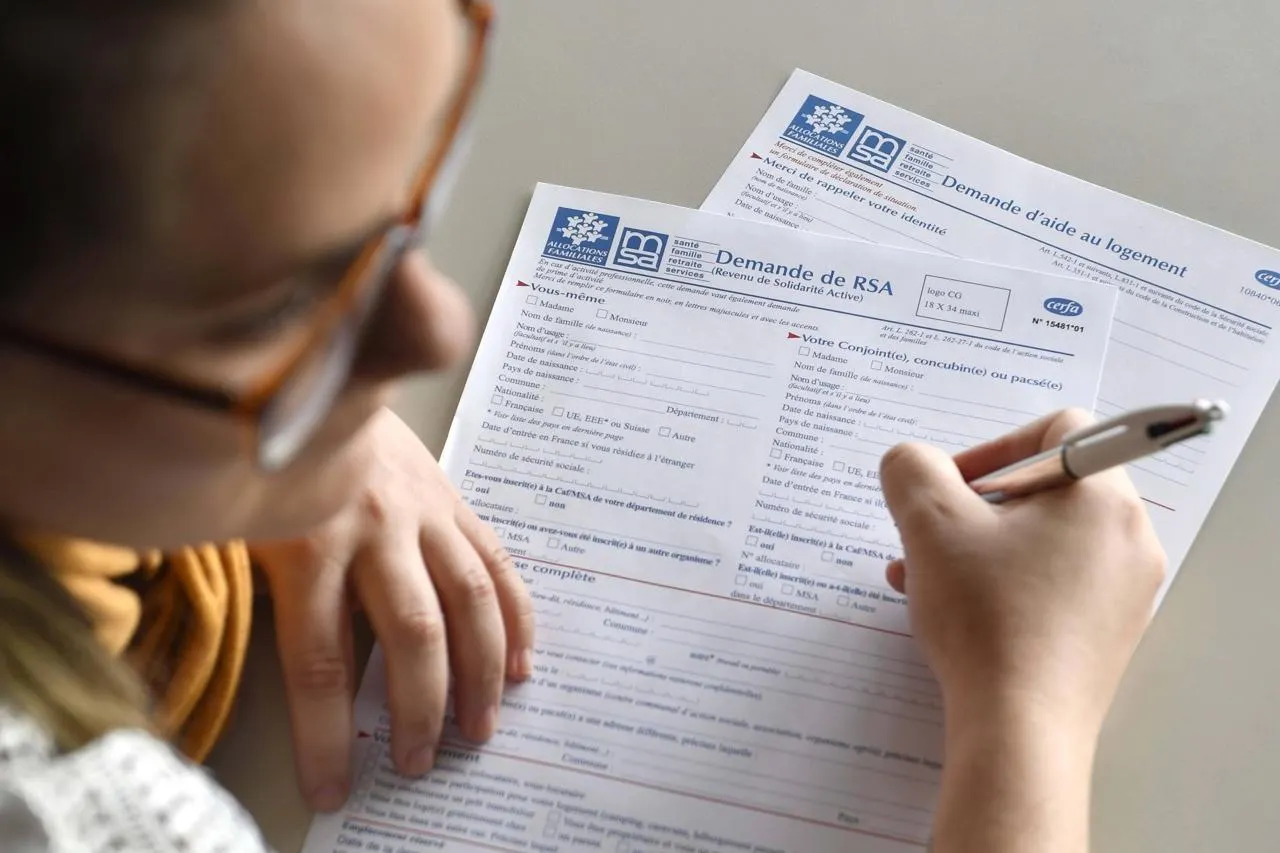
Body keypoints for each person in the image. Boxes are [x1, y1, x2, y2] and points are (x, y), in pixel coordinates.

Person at [0, 1, 1165, 851]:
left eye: (410, 194)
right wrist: (1028, 714)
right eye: (281, 303)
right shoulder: (76, 812)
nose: (439, 326)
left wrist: (284, 409)